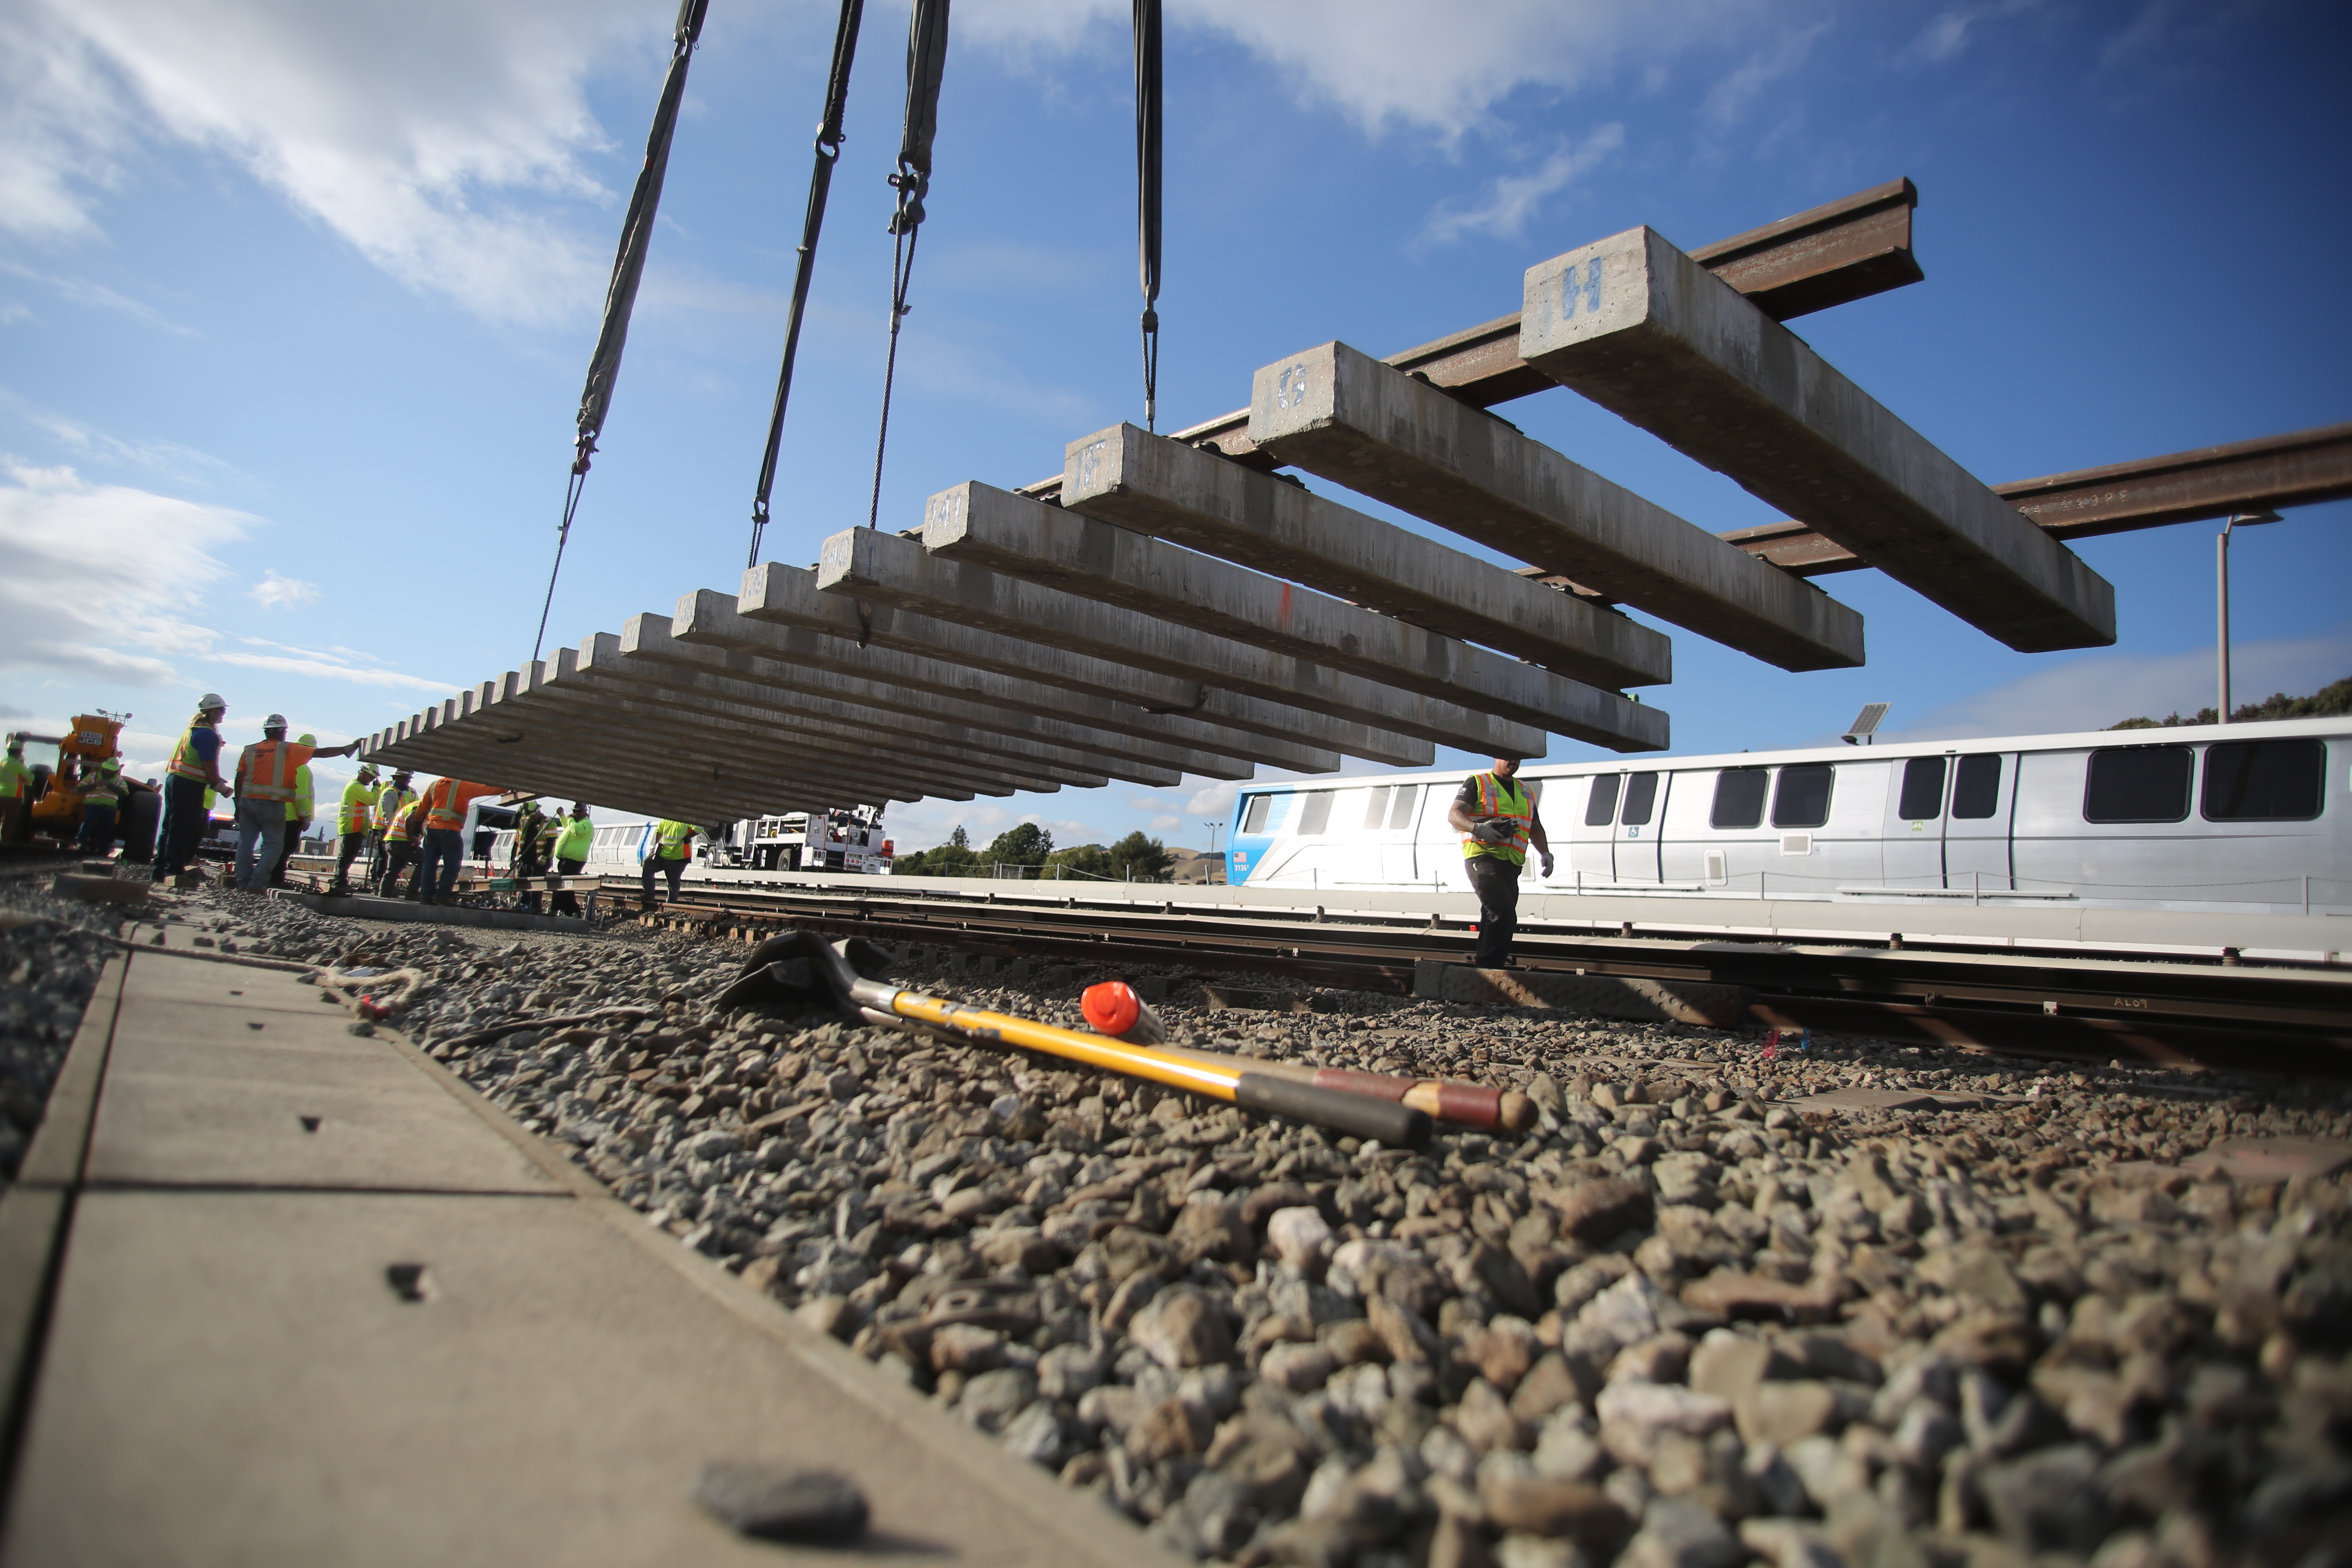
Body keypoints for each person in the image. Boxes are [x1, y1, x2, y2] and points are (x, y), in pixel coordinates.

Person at [1446, 755, 1553, 970]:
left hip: (1511, 862)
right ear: (1496, 757)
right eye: (1509, 757)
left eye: (1518, 758)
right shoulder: (1478, 783)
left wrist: (1546, 853)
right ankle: (1491, 969)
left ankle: (1486, 967)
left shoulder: (1525, 791)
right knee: (1502, 912)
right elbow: (1454, 815)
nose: (1514, 761)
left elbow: (1534, 827)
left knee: (1496, 913)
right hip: (1483, 856)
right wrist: (1478, 829)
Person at [230, 716, 359, 893]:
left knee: (246, 844)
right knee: (274, 846)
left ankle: (243, 883)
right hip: (272, 804)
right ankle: (256, 884)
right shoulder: (287, 749)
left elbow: (240, 777)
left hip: (247, 802)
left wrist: (238, 803)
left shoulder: (250, 750)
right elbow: (321, 753)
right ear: (284, 732)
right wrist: (348, 749)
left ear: (266, 731)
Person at [157, 695, 235, 882]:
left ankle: (161, 869)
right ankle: (173, 869)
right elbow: (209, 765)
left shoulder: (194, 729)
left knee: (171, 827)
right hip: (188, 785)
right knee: (183, 828)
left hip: (176, 780)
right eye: (222, 710)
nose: (224, 714)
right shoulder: (207, 734)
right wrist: (220, 786)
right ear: (213, 711)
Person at [413, 776, 505, 906]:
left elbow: (422, 807)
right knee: (453, 865)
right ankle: (442, 896)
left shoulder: (434, 784)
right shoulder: (463, 785)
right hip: (450, 831)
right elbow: (494, 790)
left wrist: (417, 823)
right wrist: (508, 785)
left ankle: (426, 897)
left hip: (432, 830)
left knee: (429, 865)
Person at [270, 733, 318, 888]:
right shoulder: (302, 769)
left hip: (275, 814)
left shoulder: (283, 764)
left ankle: (267, 878)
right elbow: (302, 796)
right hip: (291, 817)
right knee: (284, 851)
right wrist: (305, 816)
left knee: (274, 849)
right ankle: (276, 880)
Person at [329, 764, 380, 894]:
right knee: (346, 856)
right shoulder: (355, 787)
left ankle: (340, 881)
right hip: (351, 826)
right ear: (363, 773)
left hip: (356, 827)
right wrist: (377, 789)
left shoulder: (359, 787)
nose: (371, 780)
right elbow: (372, 800)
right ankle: (340, 882)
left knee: (348, 856)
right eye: (370, 777)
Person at [371, 771, 417, 894]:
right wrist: (393, 830)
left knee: (394, 863)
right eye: (405, 778)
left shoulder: (412, 793)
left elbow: (416, 811)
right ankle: (378, 887)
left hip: (402, 833)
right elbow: (389, 814)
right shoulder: (390, 792)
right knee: (384, 860)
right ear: (396, 778)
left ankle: (385, 890)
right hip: (388, 830)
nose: (408, 781)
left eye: (409, 778)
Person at [550, 802, 593, 917]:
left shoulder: (586, 824)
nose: (575, 814)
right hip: (567, 860)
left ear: (585, 813)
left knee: (561, 885)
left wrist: (570, 819)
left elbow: (577, 830)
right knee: (566, 887)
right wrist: (563, 816)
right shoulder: (575, 823)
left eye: (578, 812)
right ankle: (571, 912)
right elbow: (568, 828)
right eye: (574, 811)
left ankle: (556, 909)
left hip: (574, 861)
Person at [641, 818, 697, 908]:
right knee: (648, 865)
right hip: (664, 854)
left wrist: (688, 837)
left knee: (673, 881)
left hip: (679, 856)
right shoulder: (666, 820)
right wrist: (656, 846)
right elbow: (659, 831)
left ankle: (671, 904)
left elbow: (698, 829)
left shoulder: (686, 820)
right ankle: (649, 895)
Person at [76, 759, 127, 855]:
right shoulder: (92, 777)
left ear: (115, 770)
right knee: (88, 822)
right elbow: (80, 788)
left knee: (107, 829)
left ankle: (103, 851)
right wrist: (95, 785)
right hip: (93, 804)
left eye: (111, 769)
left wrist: (110, 786)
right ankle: (81, 842)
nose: (108, 770)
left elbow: (124, 792)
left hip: (110, 808)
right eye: (107, 768)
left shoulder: (120, 780)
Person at [511, 798, 548, 912]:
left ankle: (536, 907)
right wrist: (518, 813)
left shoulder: (547, 823)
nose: (531, 817)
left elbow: (551, 841)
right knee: (523, 885)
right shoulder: (527, 822)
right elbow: (514, 825)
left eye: (532, 815)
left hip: (538, 861)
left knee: (536, 887)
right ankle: (524, 905)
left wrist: (545, 856)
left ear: (538, 812)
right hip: (525, 860)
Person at [0, 737, 29, 846]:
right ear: (20, 752)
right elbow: (31, 778)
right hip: (13, 797)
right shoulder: (18, 765)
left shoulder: (1, 762)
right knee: (9, 822)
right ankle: (4, 844)